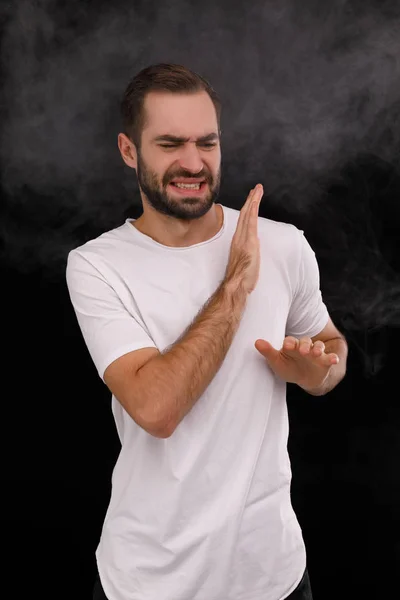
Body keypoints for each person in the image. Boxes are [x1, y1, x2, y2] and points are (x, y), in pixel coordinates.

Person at [66, 63, 348, 600]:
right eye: (170, 143)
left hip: (274, 576)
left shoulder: (284, 244)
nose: (193, 163)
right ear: (129, 151)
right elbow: (156, 409)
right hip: (151, 581)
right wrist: (236, 284)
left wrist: (318, 373)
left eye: (207, 143)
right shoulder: (98, 265)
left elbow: (332, 347)